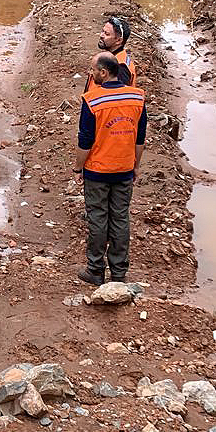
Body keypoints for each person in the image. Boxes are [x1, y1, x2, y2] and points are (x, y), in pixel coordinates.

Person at [75, 51, 147, 286]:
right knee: (120, 218)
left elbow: (85, 141)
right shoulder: (137, 98)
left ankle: (95, 270)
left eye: (93, 70)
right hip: (125, 168)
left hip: (97, 170)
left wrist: (78, 168)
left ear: (103, 73)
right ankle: (119, 272)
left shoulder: (92, 101)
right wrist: (136, 166)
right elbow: (140, 138)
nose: (91, 74)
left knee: (98, 218)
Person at [84, 15, 136, 96]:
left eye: (107, 34)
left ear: (118, 40)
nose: (101, 35)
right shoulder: (113, 58)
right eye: (102, 31)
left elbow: (118, 99)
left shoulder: (120, 68)